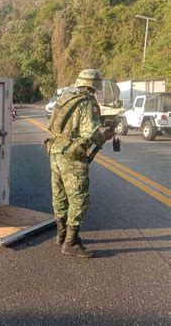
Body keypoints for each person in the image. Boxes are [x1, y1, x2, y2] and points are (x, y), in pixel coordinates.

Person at [45, 69, 115, 258]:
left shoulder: (66, 97)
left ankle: (60, 235)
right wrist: (106, 136)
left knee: (59, 194)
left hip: (56, 150)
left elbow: (51, 125)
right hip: (73, 156)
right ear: (94, 85)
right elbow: (91, 133)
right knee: (79, 198)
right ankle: (71, 242)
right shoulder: (87, 102)